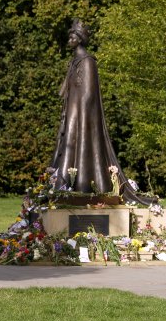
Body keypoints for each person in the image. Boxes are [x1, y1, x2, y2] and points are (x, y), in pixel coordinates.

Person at [50, 19, 153, 205]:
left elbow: (89, 94)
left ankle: (79, 185)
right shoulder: (73, 63)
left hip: (82, 116)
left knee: (79, 146)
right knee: (67, 147)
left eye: (73, 36)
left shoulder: (88, 62)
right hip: (72, 114)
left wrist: (81, 116)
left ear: (80, 39)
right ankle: (62, 185)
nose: (69, 40)